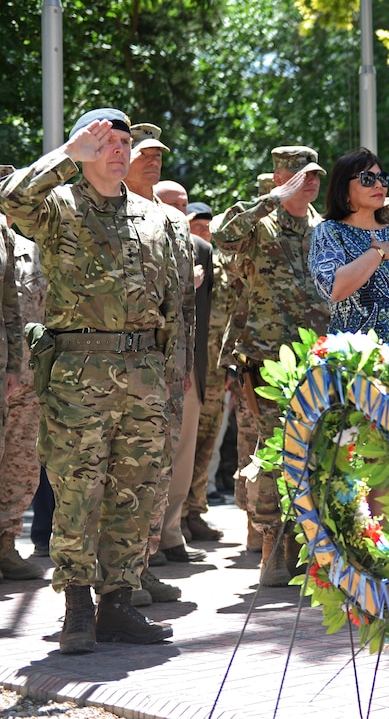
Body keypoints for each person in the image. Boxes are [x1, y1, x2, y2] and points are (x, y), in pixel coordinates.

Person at [0, 107, 178, 653]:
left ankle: (118, 604)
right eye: (105, 141)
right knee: (78, 489)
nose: (119, 149)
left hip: (144, 371)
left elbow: (172, 301)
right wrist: (65, 157)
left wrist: (169, 373)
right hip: (79, 371)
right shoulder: (57, 207)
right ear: (84, 147)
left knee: (136, 490)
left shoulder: (156, 219)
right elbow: (12, 200)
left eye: (125, 141)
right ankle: (77, 604)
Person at [213, 145, 329, 586]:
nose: (310, 182)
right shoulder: (260, 221)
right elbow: (224, 236)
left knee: (313, 453)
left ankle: (307, 544)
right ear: (280, 175)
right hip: (265, 358)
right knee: (272, 454)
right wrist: (273, 198)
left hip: (316, 358)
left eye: (314, 175)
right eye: (300, 175)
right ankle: (271, 546)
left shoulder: (324, 228)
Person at [123, 124, 200, 609]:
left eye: (157, 155)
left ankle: (142, 564)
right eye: (142, 154)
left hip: (164, 367)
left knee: (154, 474)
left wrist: (183, 362)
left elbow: (181, 303)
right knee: (117, 478)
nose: (153, 161)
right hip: (108, 366)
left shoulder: (166, 220)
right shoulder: (96, 210)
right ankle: (114, 580)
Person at [309, 148, 389, 357]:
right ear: (344, 190)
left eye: (382, 178)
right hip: (354, 364)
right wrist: (377, 253)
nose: (378, 185)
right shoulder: (328, 232)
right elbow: (335, 289)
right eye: (367, 179)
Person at [154, 183, 218, 546]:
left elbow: (205, 315)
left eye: (184, 205)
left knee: (183, 453)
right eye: (172, 205)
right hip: (144, 364)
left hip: (188, 367)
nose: (181, 212)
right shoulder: (139, 238)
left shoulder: (201, 249)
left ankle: (170, 533)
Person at [184, 201, 228, 542]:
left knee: (208, 441)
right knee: (185, 441)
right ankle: (178, 516)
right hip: (191, 364)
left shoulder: (219, 262)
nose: (204, 231)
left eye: (207, 226)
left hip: (216, 365)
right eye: (197, 225)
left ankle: (195, 510)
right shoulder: (187, 258)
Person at [0, 199, 32, 582]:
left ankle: (6, 544)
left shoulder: (6, 239)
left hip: (14, 372)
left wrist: (13, 367)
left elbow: (11, 308)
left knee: (18, 464)